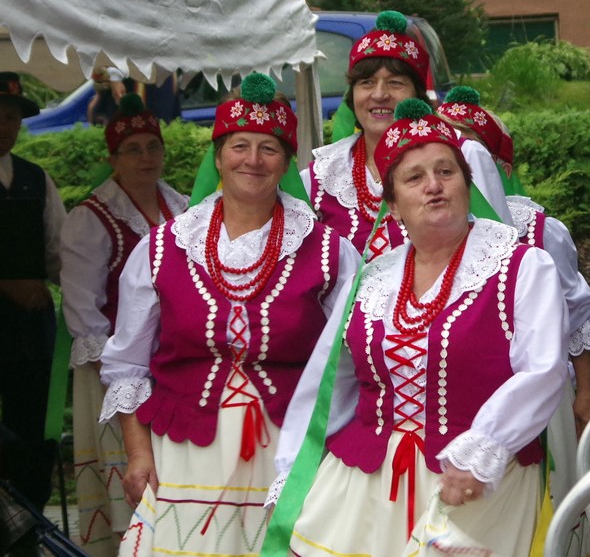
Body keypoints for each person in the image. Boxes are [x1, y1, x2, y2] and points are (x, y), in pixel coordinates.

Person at [266, 98, 568, 556]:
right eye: (414, 178)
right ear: (393, 205)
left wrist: (483, 449)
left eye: (446, 172)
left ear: (467, 185)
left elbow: (543, 369)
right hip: (366, 484)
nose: (434, 186)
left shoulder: (521, 266)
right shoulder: (372, 280)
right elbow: (329, 387)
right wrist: (292, 472)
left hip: (473, 482)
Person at [97, 73, 361, 556]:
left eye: (269, 148)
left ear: (287, 161)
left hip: (286, 454)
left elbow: (348, 365)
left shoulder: (330, 252)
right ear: (218, 157)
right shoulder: (163, 249)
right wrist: (137, 454)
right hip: (184, 454)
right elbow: (127, 364)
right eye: (239, 146)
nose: (253, 160)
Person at [440, 85, 590, 554]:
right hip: (457, 394)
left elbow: (578, 318)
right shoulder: (425, 227)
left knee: (544, 502)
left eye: (469, 144)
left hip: (539, 393)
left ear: (501, 166)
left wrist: (587, 397)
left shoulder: (538, 230)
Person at [60, 94, 189, 556]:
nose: (145, 157)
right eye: (132, 150)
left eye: (153, 146)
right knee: (131, 476)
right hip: (111, 369)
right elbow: (84, 313)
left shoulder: (182, 207)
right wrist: (122, 383)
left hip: (172, 366)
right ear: (112, 159)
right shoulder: (90, 219)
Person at [302, 10, 511, 261]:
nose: (379, 94)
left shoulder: (464, 154)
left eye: (395, 83)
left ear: (417, 95)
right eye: (367, 82)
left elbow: (501, 255)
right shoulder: (323, 174)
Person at [0, 72, 66, 536]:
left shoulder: (35, 179)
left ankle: (29, 525)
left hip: (30, 330)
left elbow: (59, 253)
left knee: (35, 431)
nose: (4, 126)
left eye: (11, 118)